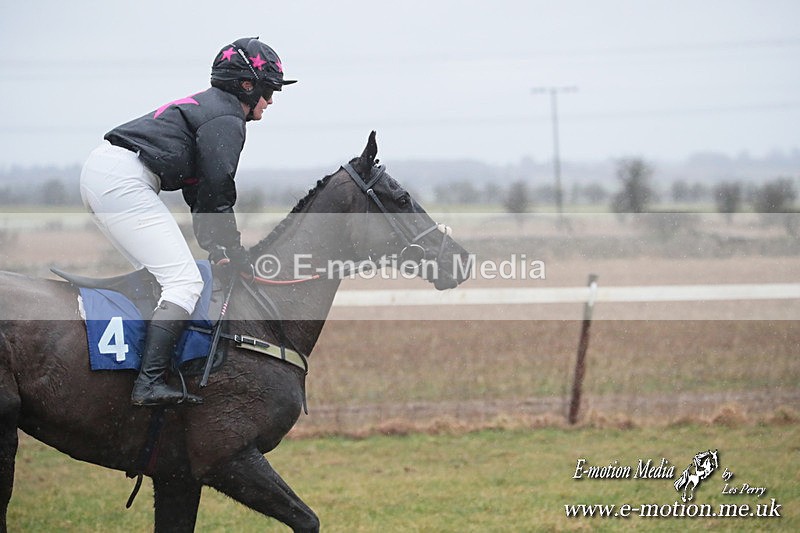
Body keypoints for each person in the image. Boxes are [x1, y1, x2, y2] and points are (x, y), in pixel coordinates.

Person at [79, 37, 296, 407]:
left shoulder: (215, 109)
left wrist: (221, 249)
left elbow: (199, 195)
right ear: (247, 84)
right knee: (184, 282)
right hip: (121, 179)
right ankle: (147, 384)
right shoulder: (227, 117)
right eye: (269, 89)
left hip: (107, 173)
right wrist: (232, 247)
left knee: (163, 282)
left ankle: (137, 370)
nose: (272, 100)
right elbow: (218, 188)